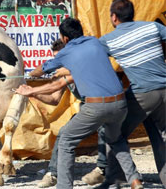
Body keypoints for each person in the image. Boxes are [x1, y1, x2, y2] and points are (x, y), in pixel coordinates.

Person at [21, 17, 143, 189]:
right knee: (116, 140)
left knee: (65, 140)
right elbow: (55, 97)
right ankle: (134, 180)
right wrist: (34, 93)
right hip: (120, 103)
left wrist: (30, 76)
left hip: (96, 106)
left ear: (65, 39)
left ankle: (64, 184)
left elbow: (43, 69)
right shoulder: (95, 42)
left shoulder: (67, 52)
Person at [98, 0, 166, 188]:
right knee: (159, 136)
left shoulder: (108, 40)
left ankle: (119, 179)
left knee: (113, 131)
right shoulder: (153, 27)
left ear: (113, 17)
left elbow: (92, 57)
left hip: (143, 94)